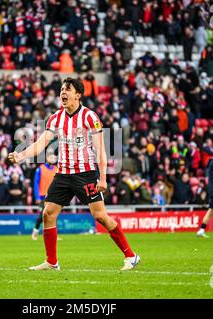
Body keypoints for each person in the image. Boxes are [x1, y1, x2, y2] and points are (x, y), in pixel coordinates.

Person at [8, 77, 140, 271]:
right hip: (63, 174)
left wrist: (102, 178)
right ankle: (52, 262)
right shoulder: (55, 118)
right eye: (62, 89)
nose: (63, 92)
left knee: (100, 216)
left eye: (67, 89)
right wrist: (20, 155)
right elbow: (40, 144)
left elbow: (100, 150)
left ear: (77, 95)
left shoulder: (90, 117)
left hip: (85, 173)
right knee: (48, 213)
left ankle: (131, 256)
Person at [31, 151, 57, 240]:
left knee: (53, 215)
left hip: (53, 196)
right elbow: (36, 183)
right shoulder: (40, 169)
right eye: (51, 158)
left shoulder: (56, 169)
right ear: (46, 158)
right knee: (42, 215)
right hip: (43, 196)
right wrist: (37, 196)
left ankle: (51, 235)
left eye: (54, 158)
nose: (53, 159)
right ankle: (36, 231)